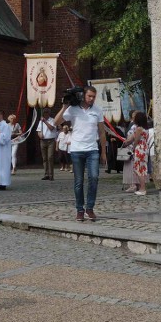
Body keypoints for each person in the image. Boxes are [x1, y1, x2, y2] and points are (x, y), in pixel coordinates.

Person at [54, 85, 106, 222]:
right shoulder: (73, 109)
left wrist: (104, 153)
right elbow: (56, 122)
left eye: (94, 97)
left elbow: (101, 132)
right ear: (83, 95)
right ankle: (80, 210)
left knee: (94, 178)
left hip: (92, 149)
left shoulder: (97, 110)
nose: (92, 99)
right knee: (78, 182)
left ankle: (90, 207)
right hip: (76, 150)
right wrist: (64, 107)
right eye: (89, 96)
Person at [120, 111, 149, 196]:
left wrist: (133, 148)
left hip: (139, 149)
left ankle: (143, 189)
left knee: (139, 169)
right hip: (144, 149)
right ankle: (142, 188)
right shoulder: (145, 128)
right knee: (142, 169)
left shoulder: (138, 129)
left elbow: (135, 140)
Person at [36, 108, 58, 181]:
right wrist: (40, 135)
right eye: (44, 113)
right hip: (43, 141)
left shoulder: (52, 120)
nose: (45, 114)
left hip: (51, 141)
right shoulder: (40, 122)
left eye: (46, 113)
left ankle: (51, 175)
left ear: (49, 113)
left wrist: (45, 121)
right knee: (44, 158)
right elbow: (38, 130)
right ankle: (46, 174)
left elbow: (51, 128)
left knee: (50, 157)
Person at [122, 112, 138, 192]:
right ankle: (134, 184)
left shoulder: (134, 126)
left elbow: (131, 138)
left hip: (131, 148)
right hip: (132, 148)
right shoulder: (131, 125)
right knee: (132, 166)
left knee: (132, 167)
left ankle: (133, 185)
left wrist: (126, 142)